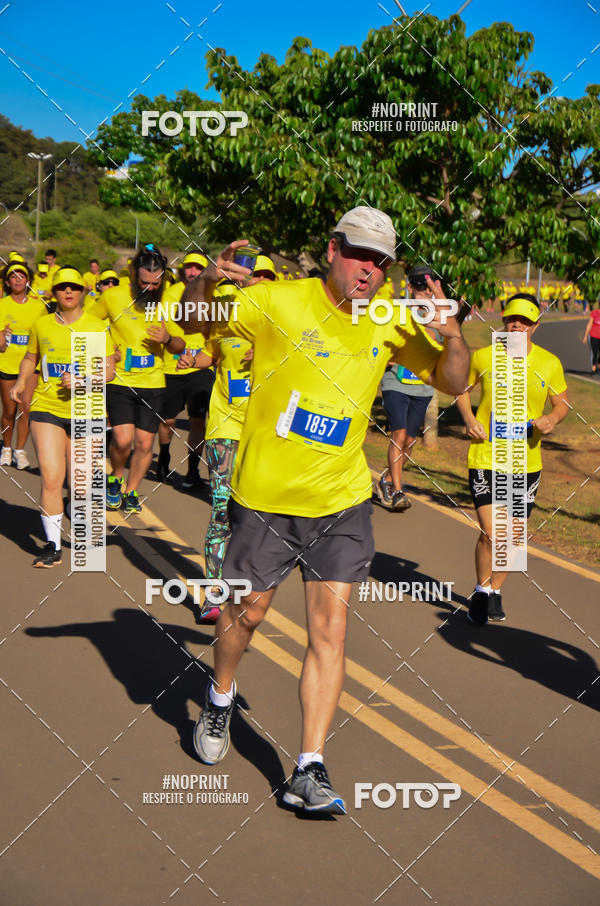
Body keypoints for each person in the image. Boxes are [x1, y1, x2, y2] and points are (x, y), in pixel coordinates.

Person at [188, 207, 469, 813]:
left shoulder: (389, 320)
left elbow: (451, 382)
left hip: (341, 501)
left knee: (330, 632)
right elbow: (194, 322)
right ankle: (219, 697)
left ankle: (308, 767)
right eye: (360, 254)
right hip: (264, 497)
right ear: (333, 249)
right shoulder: (277, 302)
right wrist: (206, 283)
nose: (369, 269)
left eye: (381, 261)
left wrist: (451, 333)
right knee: (247, 616)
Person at [456, 293, 569, 624]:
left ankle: (494, 591)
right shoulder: (483, 357)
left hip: (526, 461)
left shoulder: (549, 363)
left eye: (524, 321)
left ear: (535, 325)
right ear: (503, 322)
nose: (516, 325)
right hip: (487, 457)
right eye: (510, 320)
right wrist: (470, 419)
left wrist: (552, 419)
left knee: (514, 536)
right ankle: (481, 589)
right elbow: (461, 389)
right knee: (494, 532)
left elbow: (561, 403)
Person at [10, 266, 116, 566]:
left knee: (81, 484)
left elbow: (109, 370)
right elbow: (32, 357)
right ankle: (53, 546)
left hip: (87, 408)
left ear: (83, 292)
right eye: (61, 288)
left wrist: (84, 381)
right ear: (53, 292)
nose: (67, 292)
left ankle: (77, 516)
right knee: (52, 476)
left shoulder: (96, 326)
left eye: (74, 287)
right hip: (48, 407)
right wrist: (20, 382)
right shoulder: (42, 325)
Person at [87, 244, 184, 513]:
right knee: (121, 439)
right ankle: (116, 477)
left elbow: (180, 345)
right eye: (144, 282)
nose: (149, 288)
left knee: (144, 444)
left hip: (153, 382)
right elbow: (88, 325)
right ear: (133, 274)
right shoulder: (113, 296)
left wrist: (167, 339)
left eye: (155, 283)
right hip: (119, 381)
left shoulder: (167, 302)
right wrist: (106, 351)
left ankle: (131, 491)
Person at [379, 265, 437, 511]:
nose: (426, 292)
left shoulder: (440, 315)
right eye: (421, 287)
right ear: (410, 287)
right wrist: (388, 355)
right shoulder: (395, 311)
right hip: (395, 382)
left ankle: (387, 480)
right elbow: (381, 341)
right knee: (399, 435)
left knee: (410, 442)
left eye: (430, 287)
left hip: (421, 387)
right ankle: (397, 491)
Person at [156, 251, 211, 485]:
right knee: (167, 420)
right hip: (173, 365)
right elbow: (175, 326)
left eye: (198, 268)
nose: (192, 272)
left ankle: (193, 469)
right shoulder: (171, 293)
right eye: (189, 267)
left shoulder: (212, 295)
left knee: (198, 420)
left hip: (201, 366)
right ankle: (163, 457)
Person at [0, 262, 47, 468]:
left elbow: (46, 335)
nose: (18, 279)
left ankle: (20, 451)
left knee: (26, 409)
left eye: (22, 276)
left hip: (30, 364)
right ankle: (7, 447)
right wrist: (2, 337)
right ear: (8, 282)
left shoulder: (39, 306)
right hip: (7, 363)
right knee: (9, 412)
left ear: (28, 280)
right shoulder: (2, 305)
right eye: (13, 276)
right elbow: (0, 345)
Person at [582, 301, 600, 375]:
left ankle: (598, 366)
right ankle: (593, 369)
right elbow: (589, 325)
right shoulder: (594, 313)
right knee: (595, 353)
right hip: (594, 336)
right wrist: (585, 336)